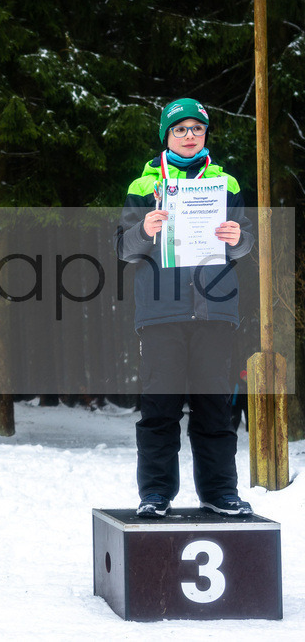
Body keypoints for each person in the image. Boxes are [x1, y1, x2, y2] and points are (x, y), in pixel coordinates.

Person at [115, 98, 254, 517]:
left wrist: (237, 237)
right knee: (160, 410)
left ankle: (219, 492)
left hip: (215, 313)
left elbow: (247, 242)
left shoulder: (225, 183)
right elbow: (123, 248)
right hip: (161, 314)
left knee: (215, 410)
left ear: (206, 134)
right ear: (166, 135)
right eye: (180, 129)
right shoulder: (144, 185)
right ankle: (155, 494)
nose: (189, 135)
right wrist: (144, 229)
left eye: (197, 128)